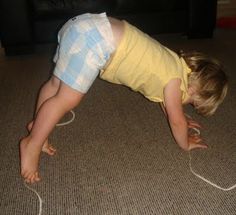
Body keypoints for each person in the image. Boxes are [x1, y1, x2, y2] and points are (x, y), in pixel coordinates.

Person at [20, 13, 228, 183]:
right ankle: (32, 144)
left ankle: (39, 129)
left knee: (55, 85)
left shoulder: (175, 65)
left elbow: (168, 104)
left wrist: (180, 114)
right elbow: (176, 120)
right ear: (194, 89)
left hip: (85, 26)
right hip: (97, 41)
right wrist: (185, 142)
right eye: (192, 101)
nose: (185, 102)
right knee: (67, 99)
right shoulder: (174, 81)